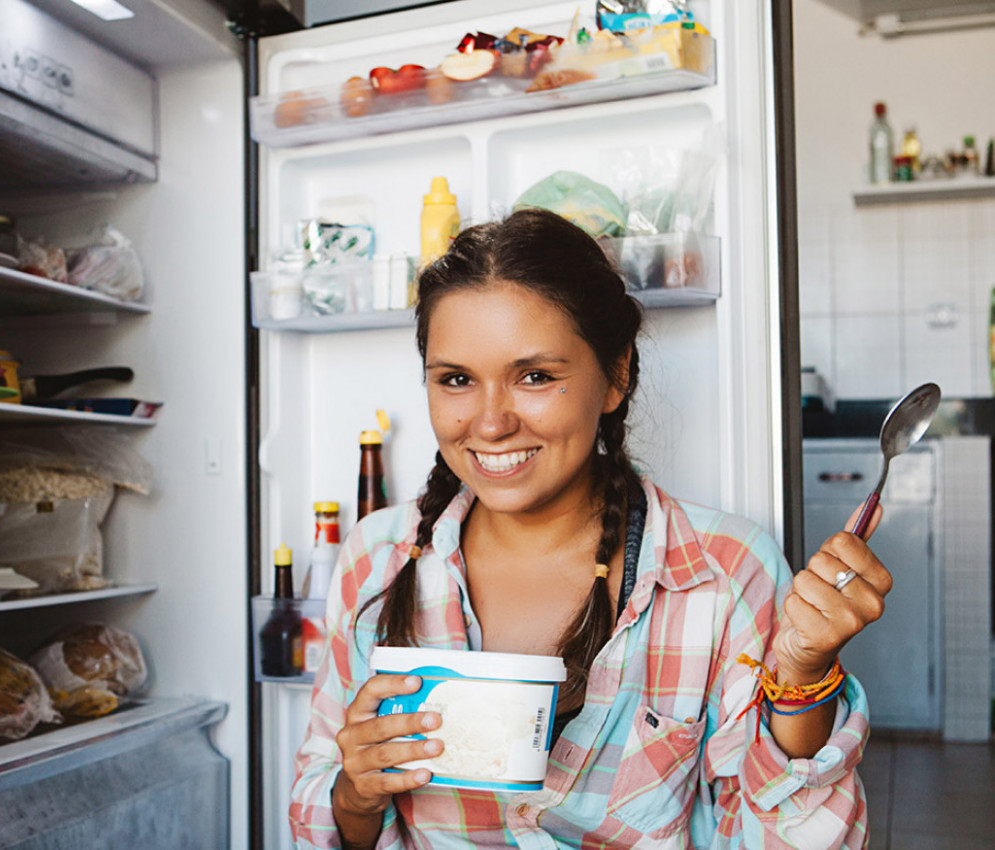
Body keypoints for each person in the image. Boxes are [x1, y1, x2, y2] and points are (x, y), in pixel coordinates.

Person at [289, 208, 890, 849]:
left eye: (536, 377)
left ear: (616, 375)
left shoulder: (723, 569)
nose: (490, 423)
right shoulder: (378, 559)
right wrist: (354, 792)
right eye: (457, 380)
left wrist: (802, 676)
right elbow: (320, 816)